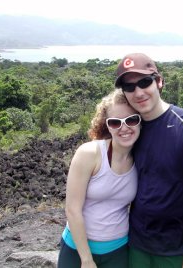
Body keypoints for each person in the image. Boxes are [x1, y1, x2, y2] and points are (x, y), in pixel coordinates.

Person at [114, 53, 183, 268]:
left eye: (144, 82)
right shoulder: (129, 130)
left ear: (159, 82)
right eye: (129, 87)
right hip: (136, 244)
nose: (138, 92)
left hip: (177, 248)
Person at [57, 89, 141, 268]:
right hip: (77, 251)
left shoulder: (142, 160)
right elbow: (72, 209)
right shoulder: (90, 154)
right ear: (106, 125)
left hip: (118, 251)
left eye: (131, 119)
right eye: (115, 122)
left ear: (141, 121)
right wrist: (86, 259)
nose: (124, 127)